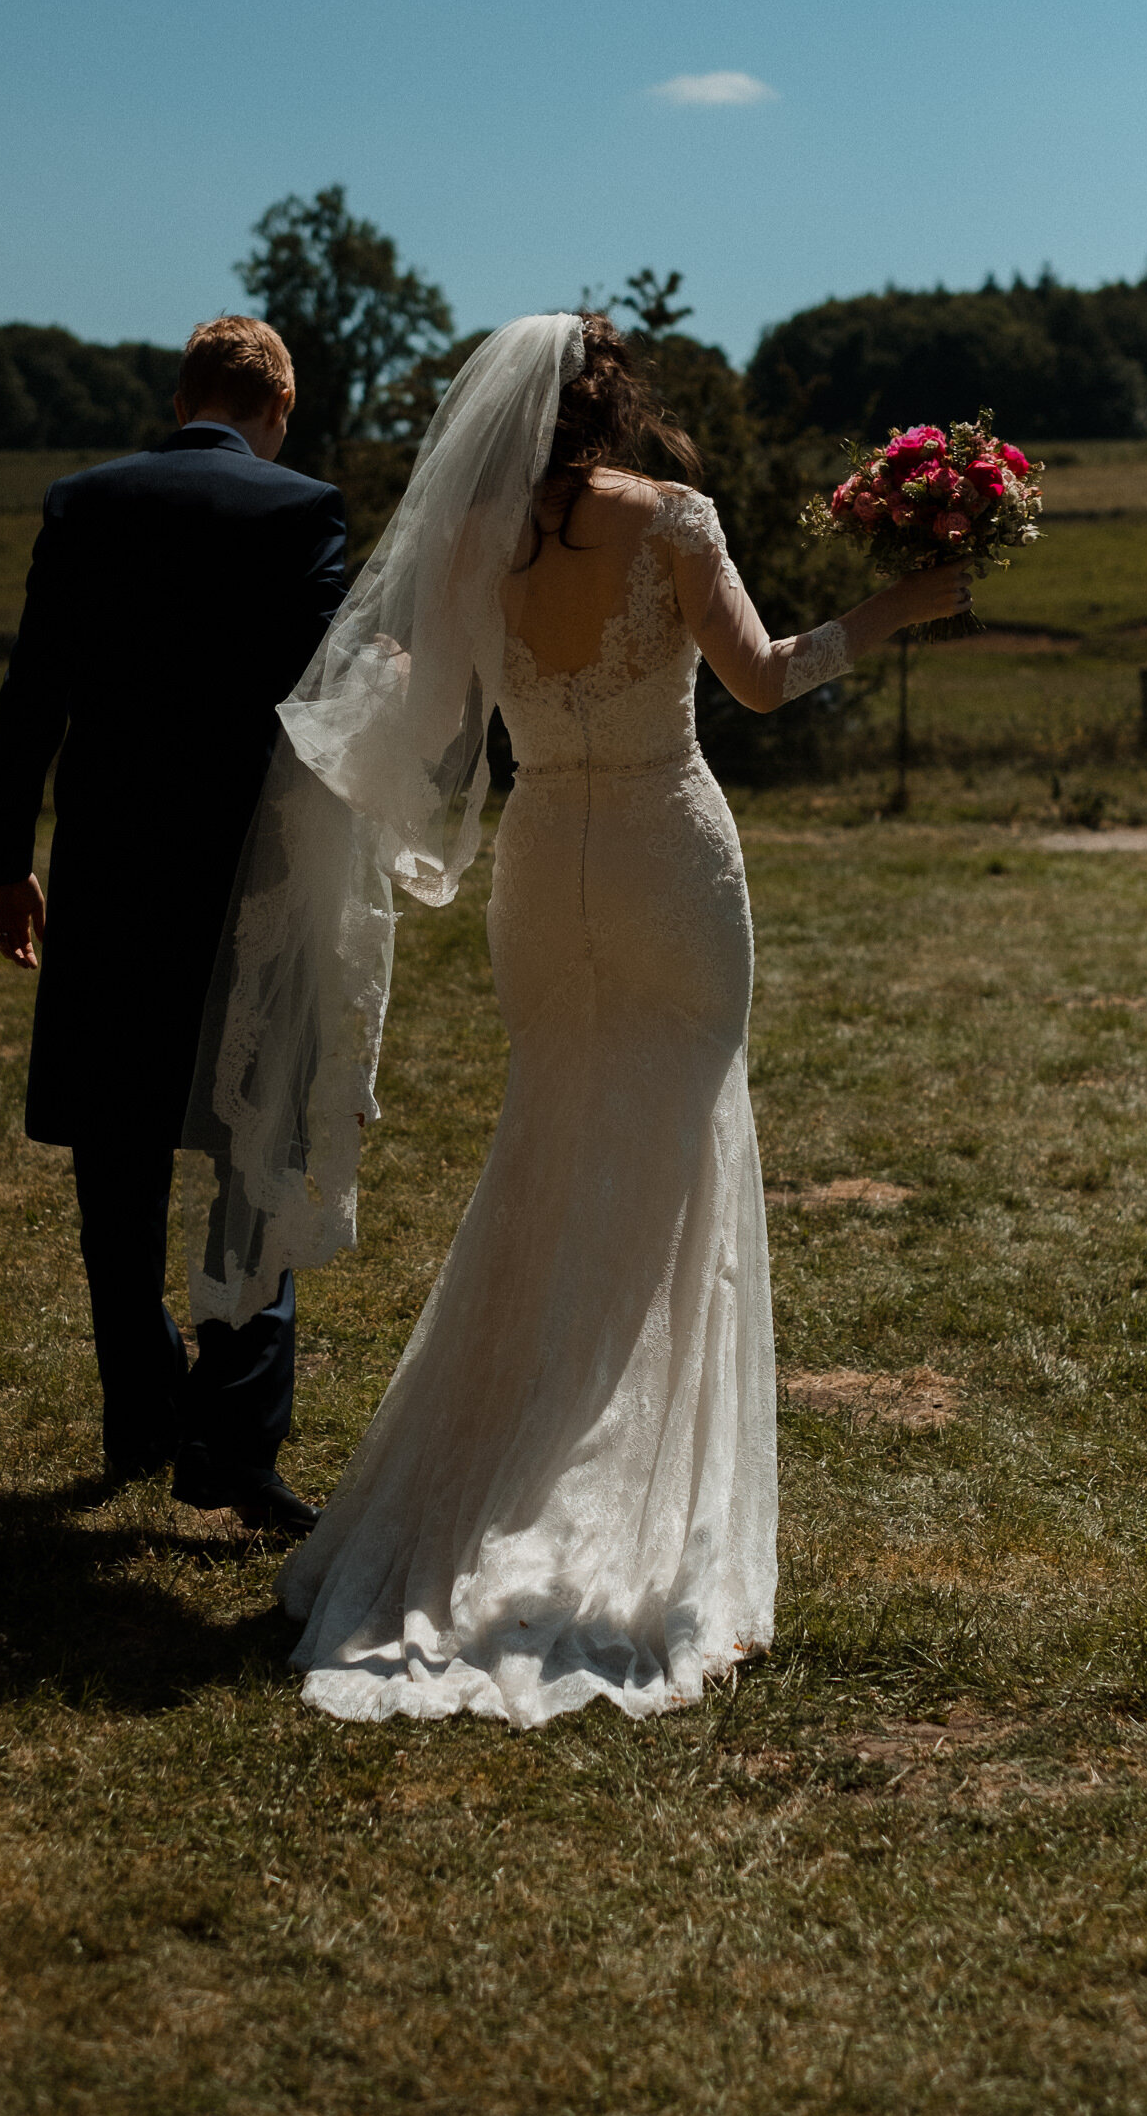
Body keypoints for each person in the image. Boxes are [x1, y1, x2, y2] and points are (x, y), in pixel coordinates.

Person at [188, 312, 968, 1724]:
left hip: (542, 865)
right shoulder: (673, 518)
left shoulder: (465, 543)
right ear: (609, 411)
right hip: (669, 855)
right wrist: (902, 609)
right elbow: (765, 678)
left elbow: (415, 715)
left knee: (543, 1152)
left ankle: (483, 1479)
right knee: (675, 1140)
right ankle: (633, 1497)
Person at [0, 316, 348, 1530]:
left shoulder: (85, 502)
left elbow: (34, 693)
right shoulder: (301, 512)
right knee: (258, 1144)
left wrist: (3, 862)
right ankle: (233, 1444)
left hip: (108, 868)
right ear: (276, 404)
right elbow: (330, 697)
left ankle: (141, 1414)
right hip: (247, 876)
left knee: (116, 1152)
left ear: (182, 394)